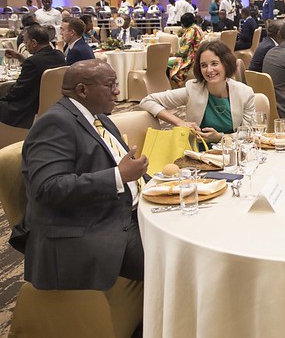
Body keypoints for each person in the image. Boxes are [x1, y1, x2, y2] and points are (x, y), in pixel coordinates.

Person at [11, 60, 148, 290]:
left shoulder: (98, 117)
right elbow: (47, 188)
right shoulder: (54, 123)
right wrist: (118, 176)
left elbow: (122, 167)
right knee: (173, 257)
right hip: (89, 229)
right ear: (82, 90)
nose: (118, 92)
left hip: (123, 211)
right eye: (111, 85)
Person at [141, 39, 255, 142]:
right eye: (203, 65)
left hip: (232, 153)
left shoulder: (245, 93)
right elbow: (148, 101)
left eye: (214, 63)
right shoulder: (193, 90)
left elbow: (248, 133)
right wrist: (180, 122)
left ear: (226, 64)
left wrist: (221, 137)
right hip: (198, 154)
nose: (209, 70)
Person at [0, 25, 66, 129]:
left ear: (34, 43)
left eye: (26, 42)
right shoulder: (59, 55)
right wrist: (19, 57)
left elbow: (18, 91)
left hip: (29, 109)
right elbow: (40, 67)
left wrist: (3, 95)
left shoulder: (33, 62)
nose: (25, 46)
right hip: (54, 105)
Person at [167, 12, 203, 87]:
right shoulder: (198, 28)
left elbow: (183, 51)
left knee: (164, 62)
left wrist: (173, 54)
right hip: (197, 56)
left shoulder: (190, 31)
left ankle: (170, 85)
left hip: (189, 59)